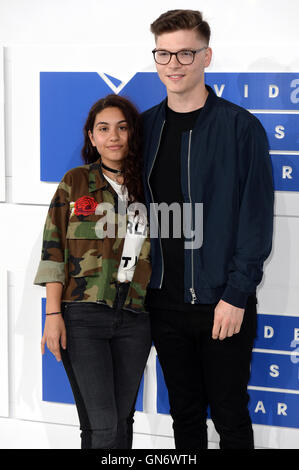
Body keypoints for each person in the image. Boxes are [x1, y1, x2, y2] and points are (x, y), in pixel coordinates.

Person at [142, 9, 274, 449]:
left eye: (185, 53)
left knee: (231, 416)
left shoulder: (241, 128)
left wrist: (237, 295)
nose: (173, 64)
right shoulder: (145, 127)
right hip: (163, 304)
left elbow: (255, 220)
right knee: (184, 416)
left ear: (206, 56)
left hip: (222, 302)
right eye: (164, 53)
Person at [34, 94, 152, 449]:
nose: (113, 136)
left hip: (135, 318)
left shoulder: (148, 186)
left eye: (122, 127)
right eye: (104, 129)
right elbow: (53, 250)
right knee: (103, 427)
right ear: (92, 137)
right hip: (82, 316)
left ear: (132, 134)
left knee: (121, 422)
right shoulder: (76, 182)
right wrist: (52, 314)